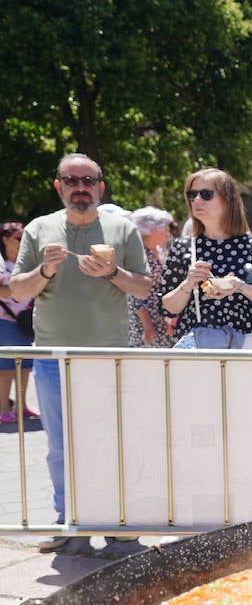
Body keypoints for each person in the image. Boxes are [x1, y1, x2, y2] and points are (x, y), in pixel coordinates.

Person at [9, 154, 152, 554]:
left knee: (110, 441)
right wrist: (45, 272)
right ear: (58, 186)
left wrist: (111, 273)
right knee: (60, 445)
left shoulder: (122, 229)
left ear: (101, 187)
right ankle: (67, 519)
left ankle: (116, 520)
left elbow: (143, 287)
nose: (80, 187)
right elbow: (18, 291)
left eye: (88, 180)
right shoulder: (39, 229)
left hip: (108, 356)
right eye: (71, 180)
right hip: (53, 356)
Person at [160, 169, 252, 348]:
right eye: (192, 194)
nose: (196, 200)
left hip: (245, 347)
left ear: (228, 199)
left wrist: (241, 287)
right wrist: (188, 283)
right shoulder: (184, 247)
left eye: (206, 194)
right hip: (199, 347)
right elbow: (168, 308)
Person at [0, 221, 37, 422]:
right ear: (5, 239)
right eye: (18, 238)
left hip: (25, 321)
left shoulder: (26, 262)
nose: (22, 242)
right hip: (5, 321)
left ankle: (22, 407)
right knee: (5, 368)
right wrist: (23, 287)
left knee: (25, 367)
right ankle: (3, 408)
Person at [126, 206, 176, 348]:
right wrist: (147, 324)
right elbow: (134, 293)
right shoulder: (139, 254)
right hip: (146, 321)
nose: (167, 231)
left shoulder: (160, 250)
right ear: (149, 230)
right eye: (163, 227)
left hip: (161, 318)